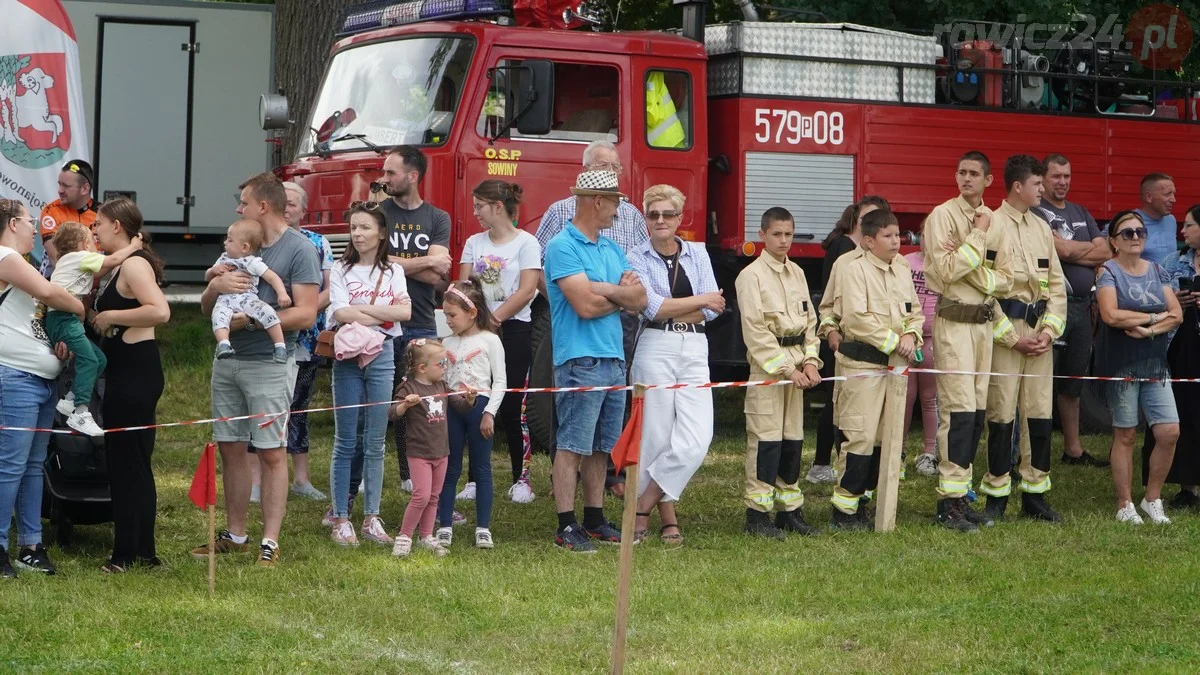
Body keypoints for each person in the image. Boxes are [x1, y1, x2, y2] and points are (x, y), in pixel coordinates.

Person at [191, 172, 321, 567]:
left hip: (270, 363)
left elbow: (306, 312)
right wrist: (215, 288)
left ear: (263, 206)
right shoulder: (234, 248)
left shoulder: (298, 249)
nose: (238, 208)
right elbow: (204, 309)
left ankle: (270, 540)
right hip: (228, 361)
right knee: (230, 446)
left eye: (243, 202)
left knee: (270, 452)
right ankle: (235, 534)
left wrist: (249, 321)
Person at [536, 141, 649, 496]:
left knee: (602, 446)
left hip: (614, 357)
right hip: (579, 358)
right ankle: (566, 522)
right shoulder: (562, 245)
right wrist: (618, 295)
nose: (619, 208)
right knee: (572, 445)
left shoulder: (612, 247)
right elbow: (584, 306)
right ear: (598, 201)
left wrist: (602, 289)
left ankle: (596, 517)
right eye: (615, 200)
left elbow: (641, 297)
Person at [921, 150, 1013, 533]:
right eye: (961, 172)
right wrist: (976, 236)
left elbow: (1008, 278)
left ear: (988, 180)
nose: (966, 178)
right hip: (955, 323)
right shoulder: (942, 215)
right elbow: (943, 272)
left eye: (974, 173)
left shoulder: (998, 221)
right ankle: (948, 502)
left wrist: (972, 268)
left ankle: (963, 496)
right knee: (957, 412)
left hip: (983, 325)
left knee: (975, 413)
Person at [628, 184, 723, 545]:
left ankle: (642, 505)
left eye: (668, 214)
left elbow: (714, 313)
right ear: (646, 218)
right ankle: (667, 517)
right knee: (656, 434)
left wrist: (680, 306)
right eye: (653, 214)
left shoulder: (698, 253)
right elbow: (652, 308)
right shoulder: (635, 256)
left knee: (697, 438)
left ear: (681, 218)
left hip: (695, 347)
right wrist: (697, 302)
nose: (661, 220)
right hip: (655, 344)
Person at [980, 155, 1067, 523]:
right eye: (1037, 184)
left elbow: (1058, 287)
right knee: (1000, 415)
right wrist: (1010, 337)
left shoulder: (1041, 227)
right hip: (1006, 335)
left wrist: (1049, 331)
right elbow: (981, 288)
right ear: (1018, 186)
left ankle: (1035, 494)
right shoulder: (990, 224)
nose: (1044, 189)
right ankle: (996, 496)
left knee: (1039, 415)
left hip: (1038, 335)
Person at [824, 209, 923, 529]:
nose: (896, 241)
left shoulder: (903, 267)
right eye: (888, 236)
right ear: (868, 241)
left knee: (885, 439)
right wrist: (896, 341)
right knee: (860, 437)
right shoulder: (854, 269)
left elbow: (915, 312)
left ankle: (863, 501)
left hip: (894, 368)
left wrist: (911, 334)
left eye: (897, 235)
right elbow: (856, 318)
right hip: (862, 365)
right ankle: (844, 510)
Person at [0, 199, 84, 578]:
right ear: (13, 222)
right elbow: (51, 295)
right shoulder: (5, 256)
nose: (35, 229)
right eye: (30, 221)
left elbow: (33, 317)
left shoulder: (21, 262)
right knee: (10, 467)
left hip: (39, 379)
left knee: (32, 467)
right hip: (14, 377)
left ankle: (30, 546)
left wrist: (55, 342)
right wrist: (81, 309)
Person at [90, 198, 171, 572]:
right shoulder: (118, 264)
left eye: (99, 224)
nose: (95, 230)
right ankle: (140, 550)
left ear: (117, 226)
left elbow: (160, 310)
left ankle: (128, 554)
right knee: (131, 461)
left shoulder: (135, 264)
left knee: (129, 462)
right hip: (124, 370)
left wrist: (110, 315)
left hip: (136, 373)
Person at [326, 201, 411, 547]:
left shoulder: (393, 271)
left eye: (364, 227)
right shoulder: (339, 269)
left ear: (381, 233)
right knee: (345, 440)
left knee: (375, 441)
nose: (357, 234)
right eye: (353, 228)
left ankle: (372, 517)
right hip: (346, 358)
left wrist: (361, 311)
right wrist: (381, 315)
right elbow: (340, 312)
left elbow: (404, 311)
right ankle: (340, 518)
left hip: (382, 356)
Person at [736, 207, 824, 539]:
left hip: (798, 366)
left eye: (788, 234)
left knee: (792, 442)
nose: (783, 240)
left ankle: (790, 510)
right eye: (777, 234)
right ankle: (757, 515)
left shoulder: (798, 273)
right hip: (770, 369)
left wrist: (811, 362)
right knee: (766, 442)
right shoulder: (751, 276)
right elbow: (756, 333)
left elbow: (810, 325)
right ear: (763, 235)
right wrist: (788, 369)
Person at [1094, 211, 1181, 524]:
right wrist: (1155, 317)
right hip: (1122, 365)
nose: (1135, 237)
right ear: (1114, 241)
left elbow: (1177, 314)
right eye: (1127, 233)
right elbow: (1110, 316)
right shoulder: (1108, 271)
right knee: (1126, 435)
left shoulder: (1157, 270)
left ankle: (1152, 499)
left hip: (1156, 363)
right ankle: (1124, 504)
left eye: (1140, 232)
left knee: (1169, 431)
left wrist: (1149, 328)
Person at [460, 179, 541, 504]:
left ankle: (522, 478)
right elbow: (465, 285)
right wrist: (477, 323)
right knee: (475, 402)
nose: (476, 212)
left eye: (480, 205)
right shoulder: (473, 242)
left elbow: (526, 289)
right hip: (477, 333)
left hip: (514, 332)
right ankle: (475, 478)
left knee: (512, 406)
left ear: (497, 206)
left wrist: (495, 320)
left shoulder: (527, 243)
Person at [380, 146, 451, 493]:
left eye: (391, 172)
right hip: (383, 320)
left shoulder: (438, 218)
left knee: (420, 400)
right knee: (387, 399)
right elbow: (374, 261)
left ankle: (412, 472)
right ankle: (379, 470)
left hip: (422, 320)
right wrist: (423, 262)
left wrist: (394, 262)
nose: (384, 178)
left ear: (412, 176)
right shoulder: (379, 213)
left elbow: (439, 276)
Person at [1033, 154, 1110, 466]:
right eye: (1056, 176)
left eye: (1067, 176)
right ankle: (1033, 453)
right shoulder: (1037, 211)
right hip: (1051, 307)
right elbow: (1059, 250)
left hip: (1082, 306)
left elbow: (1107, 250)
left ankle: (1073, 450)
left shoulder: (1080, 211)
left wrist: (1072, 252)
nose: (1062, 182)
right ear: (1043, 178)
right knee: (1041, 380)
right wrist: (1085, 252)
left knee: (1074, 379)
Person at [813, 195, 890, 484]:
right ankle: (823, 462)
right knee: (839, 405)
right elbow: (833, 297)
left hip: (875, 350)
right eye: (868, 216)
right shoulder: (844, 250)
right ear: (857, 218)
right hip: (846, 341)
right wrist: (833, 333)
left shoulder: (887, 262)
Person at [45, 222, 143, 437]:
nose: (96, 246)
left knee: (99, 359)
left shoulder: (68, 261)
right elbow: (114, 260)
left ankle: (69, 400)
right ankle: (80, 412)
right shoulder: (80, 257)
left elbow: (101, 269)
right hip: (64, 319)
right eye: (93, 241)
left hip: (61, 318)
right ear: (83, 244)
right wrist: (134, 246)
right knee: (89, 360)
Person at [390, 339, 476, 558]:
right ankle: (404, 536)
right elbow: (392, 414)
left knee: (434, 496)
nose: (445, 368)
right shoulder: (408, 387)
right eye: (440, 363)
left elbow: (461, 407)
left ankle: (426, 536)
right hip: (419, 453)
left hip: (441, 452)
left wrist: (470, 399)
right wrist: (405, 404)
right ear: (422, 368)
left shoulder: (442, 386)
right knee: (421, 495)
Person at [437, 280, 505, 549]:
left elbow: (500, 381)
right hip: (452, 409)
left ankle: (483, 528)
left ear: (472, 312)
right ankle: (444, 525)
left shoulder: (490, 340)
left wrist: (489, 412)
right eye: (445, 316)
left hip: (479, 409)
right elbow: (440, 378)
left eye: (452, 315)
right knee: (450, 467)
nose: (449, 321)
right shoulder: (447, 342)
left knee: (481, 467)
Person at [282, 181, 333, 501]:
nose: (286, 208)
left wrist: (306, 309)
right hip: (268, 338)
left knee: (298, 407)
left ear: (303, 210)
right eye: (281, 201)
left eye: (292, 203)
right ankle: (258, 479)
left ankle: (301, 479)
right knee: (265, 411)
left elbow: (331, 286)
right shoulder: (260, 239)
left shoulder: (318, 242)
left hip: (308, 338)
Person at [1148, 204, 1200, 509]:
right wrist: (1174, 302)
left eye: (1189, 225)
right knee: (1185, 413)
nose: (1182, 231)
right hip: (1180, 345)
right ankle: (1187, 486)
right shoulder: (1172, 262)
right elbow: (1154, 302)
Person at [206, 220, 292, 363]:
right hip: (225, 301)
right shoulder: (223, 259)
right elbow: (208, 277)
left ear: (245, 247)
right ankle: (224, 344)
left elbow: (272, 277)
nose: (225, 243)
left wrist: (282, 293)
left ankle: (280, 345)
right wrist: (213, 271)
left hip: (248, 299)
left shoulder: (252, 262)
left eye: (230, 240)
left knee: (268, 312)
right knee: (218, 316)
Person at [902, 245, 940, 476]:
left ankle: (929, 453)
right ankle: (899, 451)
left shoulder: (943, 264)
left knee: (929, 398)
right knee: (905, 397)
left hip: (931, 337)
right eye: (926, 233)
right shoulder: (905, 261)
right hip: (906, 337)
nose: (929, 239)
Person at [37, 159, 97, 276]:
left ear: (85, 188)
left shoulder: (101, 213)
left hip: (92, 286)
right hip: (56, 283)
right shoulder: (51, 210)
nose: (60, 191)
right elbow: (56, 259)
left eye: (66, 186)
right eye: (59, 184)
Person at [1135, 173, 1178, 265]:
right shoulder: (1129, 220)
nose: (1173, 200)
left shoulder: (1171, 220)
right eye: (1167, 194)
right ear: (1149, 197)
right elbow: (1103, 248)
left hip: (1170, 278)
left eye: (1173, 194)